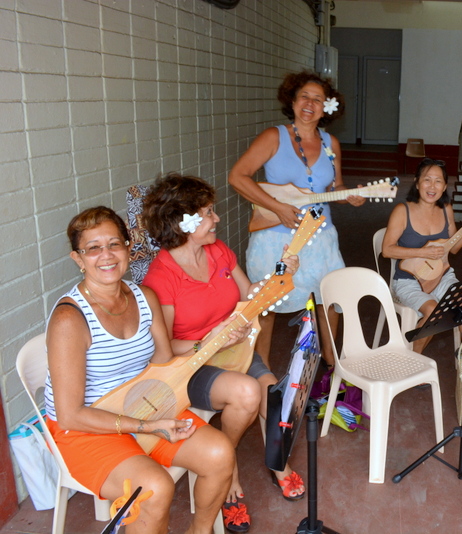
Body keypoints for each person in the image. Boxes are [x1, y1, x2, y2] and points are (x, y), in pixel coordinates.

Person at [45, 206, 237, 534]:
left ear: (128, 247)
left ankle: (200, 530)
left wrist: (209, 342)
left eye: (114, 244)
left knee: (220, 452)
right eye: (93, 248)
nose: (106, 255)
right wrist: (148, 427)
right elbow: (70, 415)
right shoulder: (69, 319)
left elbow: (163, 363)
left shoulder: (144, 296)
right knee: (154, 489)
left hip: (143, 403)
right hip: (85, 427)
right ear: (78, 259)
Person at [141, 173, 303, 534]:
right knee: (247, 394)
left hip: (233, 351)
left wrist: (280, 274)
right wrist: (211, 340)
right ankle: (225, 470)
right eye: (208, 213)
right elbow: (164, 347)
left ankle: (271, 462)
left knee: (275, 395)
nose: (216, 218)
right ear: (182, 222)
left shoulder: (218, 251)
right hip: (192, 362)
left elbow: (249, 296)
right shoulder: (160, 277)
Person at [228, 70, 365, 369]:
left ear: (326, 108)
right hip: (276, 239)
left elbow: (334, 187)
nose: (310, 104)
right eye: (304, 96)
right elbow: (238, 176)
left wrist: (349, 195)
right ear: (292, 101)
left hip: (322, 238)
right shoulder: (273, 137)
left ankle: (332, 365)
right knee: (267, 307)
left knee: (330, 301)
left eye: (318, 99)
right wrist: (277, 207)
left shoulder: (330, 143)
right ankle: (261, 372)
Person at [381, 158, 462, 353]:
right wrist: (422, 252)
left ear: (444, 187)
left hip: (442, 276)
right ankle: (414, 360)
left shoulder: (446, 209)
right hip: (408, 281)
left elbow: (454, 249)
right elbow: (387, 250)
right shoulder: (402, 211)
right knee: (433, 310)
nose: (432, 186)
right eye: (427, 180)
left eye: (438, 181)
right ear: (417, 182)